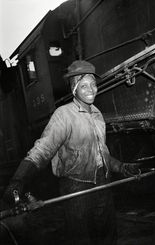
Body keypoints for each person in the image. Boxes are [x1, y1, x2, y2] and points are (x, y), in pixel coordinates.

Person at [3, 60, 140, 245]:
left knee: (107, 237)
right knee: (81, 239)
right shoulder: (64, 115)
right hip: (77, 189)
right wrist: (18, 181)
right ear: (74, 88)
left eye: (93, 84)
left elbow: (101, 154)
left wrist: (122, 167)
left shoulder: (98, 115)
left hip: (103, 185)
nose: (91, 89)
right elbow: (42, 149)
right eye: (84, 85)